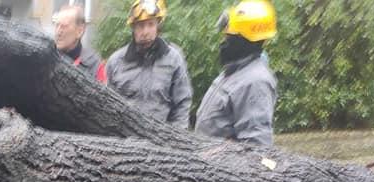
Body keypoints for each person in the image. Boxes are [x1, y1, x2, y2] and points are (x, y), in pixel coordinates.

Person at [195, 0, 278, 146]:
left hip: (218, 161)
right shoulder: (234, 72)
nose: (224, 39)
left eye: (229, 35)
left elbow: (257, 146)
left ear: (243, 38)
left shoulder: (255, 82)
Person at [104, 0, 192, 127]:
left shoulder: (174, 60)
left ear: (158, 25)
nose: (145, 32)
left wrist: (177, 135)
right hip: (123, 136)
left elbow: (182, 104)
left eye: (150, 24)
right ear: (133, 27)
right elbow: (107, 105)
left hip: (162, 136)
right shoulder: (116, 62)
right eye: (140, 25)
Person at [53, 4, 106, 82]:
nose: (58, 32)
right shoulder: (47, 58)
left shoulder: (95, 65)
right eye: (56, 25)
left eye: (64, 26)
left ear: (79, 31)